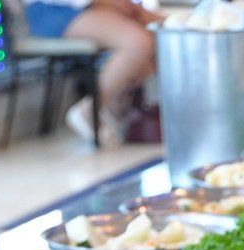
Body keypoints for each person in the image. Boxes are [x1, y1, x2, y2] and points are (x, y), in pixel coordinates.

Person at [23, 0, 158, 146]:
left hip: (90, 7)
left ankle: (116, 110)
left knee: (160, 28)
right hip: (56, 11)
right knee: (139, 43)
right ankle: (91, 108)